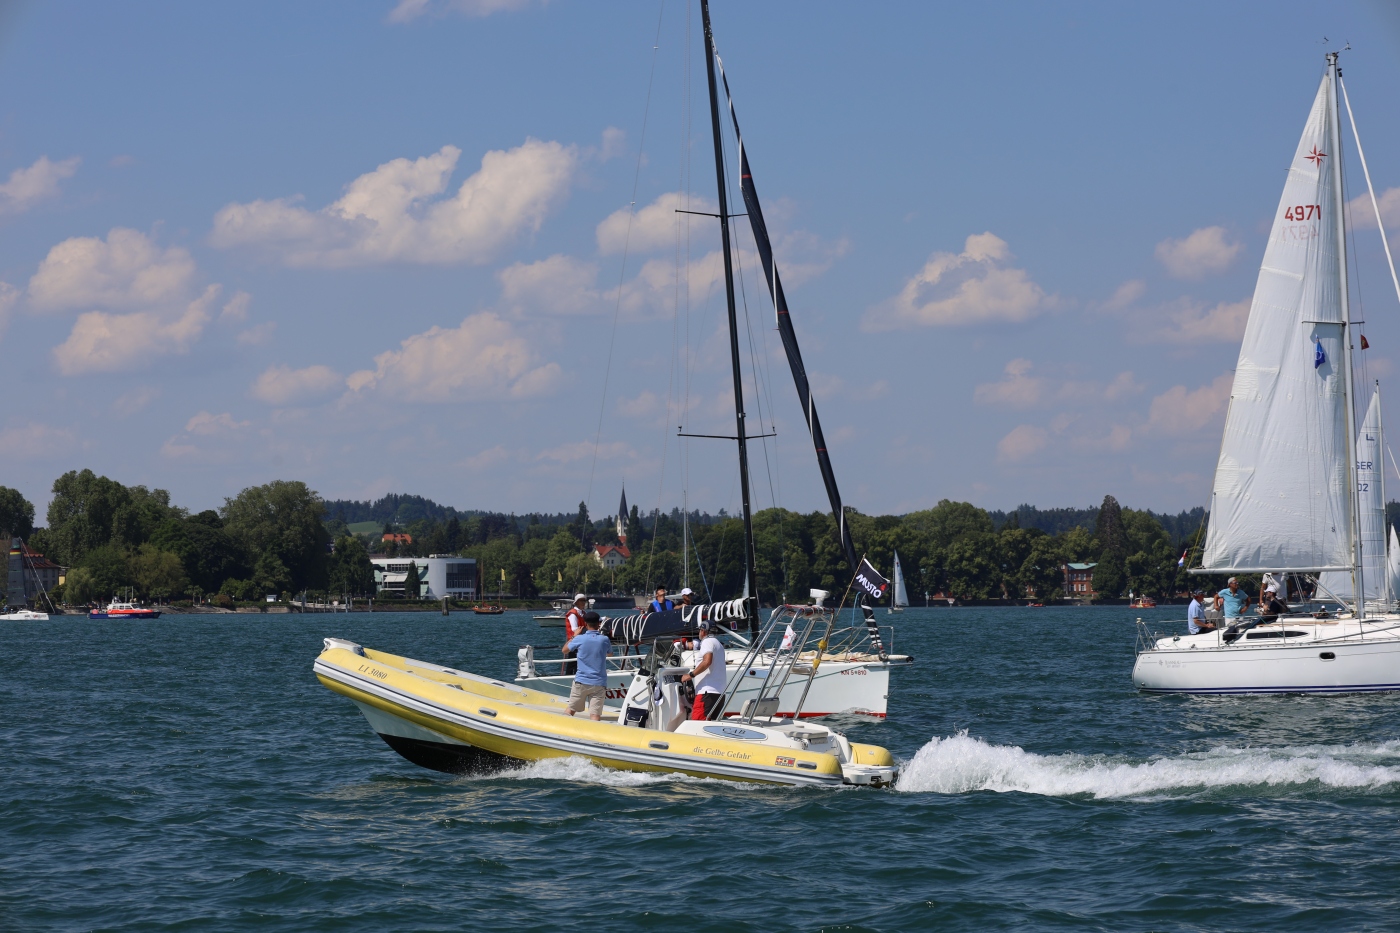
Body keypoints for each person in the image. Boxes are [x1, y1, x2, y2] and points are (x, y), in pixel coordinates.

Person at [565, 611, 610, 721]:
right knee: (595, 715)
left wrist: (574, 636)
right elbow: (610, 654)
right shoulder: (604, 639)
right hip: (599, 682)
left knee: (570, 711)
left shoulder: (579, 639)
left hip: (581, 681)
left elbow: (565, 650)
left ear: (585, 624)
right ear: (599, 623)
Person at [680, 619, 725, 720]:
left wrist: (690, 675)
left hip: (706, 693)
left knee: (698, 724)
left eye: (700, 630)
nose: (699, 633)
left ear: (704, 631)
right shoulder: (718, 644)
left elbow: (707, 661)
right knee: (711, 725)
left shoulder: (707, 642)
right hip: (719, 693)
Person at [561, 593, 587, 676]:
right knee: (573, 662)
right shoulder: (573, 614)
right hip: (574, 641)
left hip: (581, 641)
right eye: (581, 601)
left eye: (584, 600)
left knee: (578, 662)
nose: (583, 602)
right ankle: (569, 677)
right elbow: (574, 629)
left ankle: (577, 675)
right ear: (577, 602)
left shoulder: (583, 613)